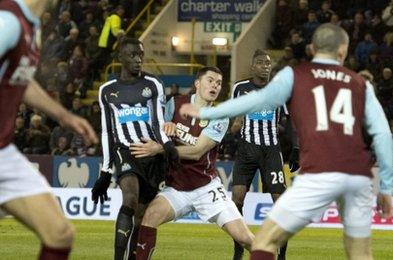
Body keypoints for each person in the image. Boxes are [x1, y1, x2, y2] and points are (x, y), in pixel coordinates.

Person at [180, 23, 393, 260]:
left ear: (312, 49)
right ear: (343, 51)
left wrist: (207, 113)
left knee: (264, 241)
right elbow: (384, 136)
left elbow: (251, 103)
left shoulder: (296, 76)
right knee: (360, 251)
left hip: (319, 171)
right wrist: (385, 186)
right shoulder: (360, 83)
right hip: (355, 174)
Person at [0, 1, 98, 259]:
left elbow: (19, 77)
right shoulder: (8, 21)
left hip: (3, 153)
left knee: (59, 233)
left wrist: (63, 115)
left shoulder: (31, 24)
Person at [128, 66, 254, 259]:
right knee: (150, 217)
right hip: (176, 188)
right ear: (197, 84)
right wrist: (165, 127)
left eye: (219, 83)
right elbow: (158, 130)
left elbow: (197, 152)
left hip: (206, 188)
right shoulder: (175, 104)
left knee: (245, 238)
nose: (215, 86)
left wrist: (161, 148)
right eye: (210, 80)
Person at [90, 38, 179, 260]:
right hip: (125, 151)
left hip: (150, 154)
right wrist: (105, 171)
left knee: (142, 216)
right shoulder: (106, 91)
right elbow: (107, 132)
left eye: (141, 54)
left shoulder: (153, 85)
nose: (138, 59)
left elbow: (159, 123)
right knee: (129, 198)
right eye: (132, 55)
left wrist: (167, 146)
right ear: (120, 58)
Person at [229, 49, 298, 260]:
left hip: (271, 151)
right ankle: (239, 249)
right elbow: (233, 122)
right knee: (236, 199)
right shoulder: (240, 88)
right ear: (252, 66)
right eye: (261, 62)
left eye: (268, 63)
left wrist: (295, 147)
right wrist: (229, 136)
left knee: (280, 202)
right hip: (246, 150)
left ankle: (282, 254)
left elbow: (291, 120)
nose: (266, 66)